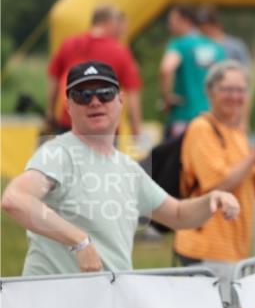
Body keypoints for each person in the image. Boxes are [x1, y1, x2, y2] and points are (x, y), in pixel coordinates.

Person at [1, 61, 239, 276]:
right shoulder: (58, 154)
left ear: (120, 100)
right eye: (83, 95)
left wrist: (212, 200)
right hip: (55, 305)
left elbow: (177, 215)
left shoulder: (128, 168)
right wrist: (79, 241)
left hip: (109, 302)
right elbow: (15, 199)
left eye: (105, 94)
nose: (95, 101)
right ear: (68, 106)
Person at [173, 60, 255, 283]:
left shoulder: (237, 133)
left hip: (235, 248)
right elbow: (215, 185)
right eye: (227, 90)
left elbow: (253, 191)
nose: (235, 96)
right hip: (206, 248)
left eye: (240, 90)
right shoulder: (202, 128)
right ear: (210, 93)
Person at [47, 5, 143, 137]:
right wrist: (136, 131)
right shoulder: (120, 51)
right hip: (105, 129)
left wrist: (50, 113)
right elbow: (133, 95)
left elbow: (54, 82)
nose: (122, 30)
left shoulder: (69, 44)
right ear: (110, 22)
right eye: (120, 25)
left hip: (70, 124)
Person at [159, 4, 226, 139]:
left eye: (173, 22)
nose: (169, 26)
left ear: (186, 20)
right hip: (211, 117)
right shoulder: (216, 47)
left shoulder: (179, 44)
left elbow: (166, 68)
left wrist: (167, 97)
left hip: (184, 116)